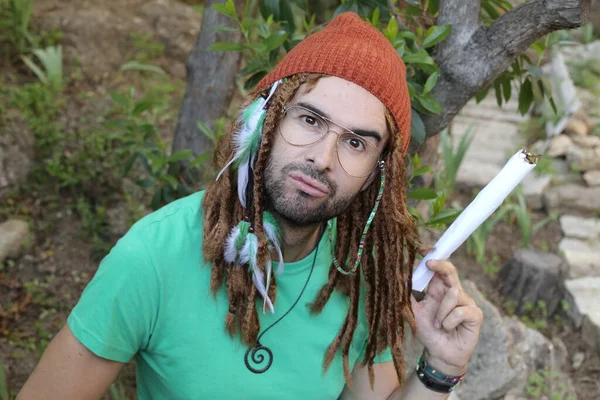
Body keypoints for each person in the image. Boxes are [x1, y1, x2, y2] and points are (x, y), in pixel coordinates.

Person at [18, 12, 483, 400]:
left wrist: (440, 368)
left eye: (356, 142)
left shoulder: (362, 271)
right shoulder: (153, 257)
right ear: (265, 120)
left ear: (379, 173)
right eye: (309, 119)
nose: (322, 158)